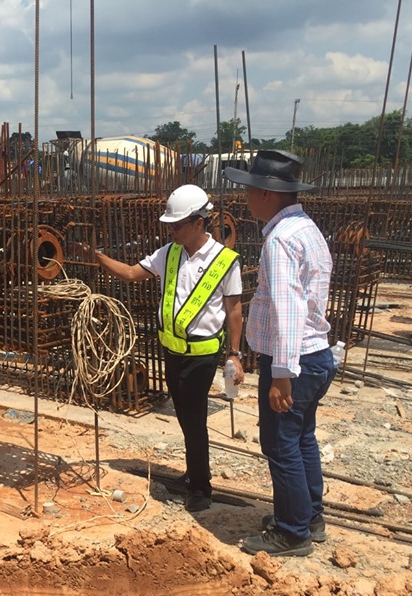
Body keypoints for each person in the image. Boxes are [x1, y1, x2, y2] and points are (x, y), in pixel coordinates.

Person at [90, 184, 244, 512]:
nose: (171, 230)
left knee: (195, 419)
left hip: (202, 356)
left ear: (199, 223)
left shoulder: (224, 261)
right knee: (186, 417)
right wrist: (99, 258)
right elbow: (131, 273)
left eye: (177, 225)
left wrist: (235, 353)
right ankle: (194, 470)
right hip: (172, 353)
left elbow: (233, 309)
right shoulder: (169, 253)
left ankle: (201, 488)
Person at [223, 150, 336, 557]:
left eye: (250, 190)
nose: (246, 198)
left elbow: (288, 309)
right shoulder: (307, 229)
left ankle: (291, 532)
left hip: (294, 360)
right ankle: (309, 517)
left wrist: (283, 374)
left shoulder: (281, 240)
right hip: (316, 354)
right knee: (302, 438)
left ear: (267, 194)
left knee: (280, 444)